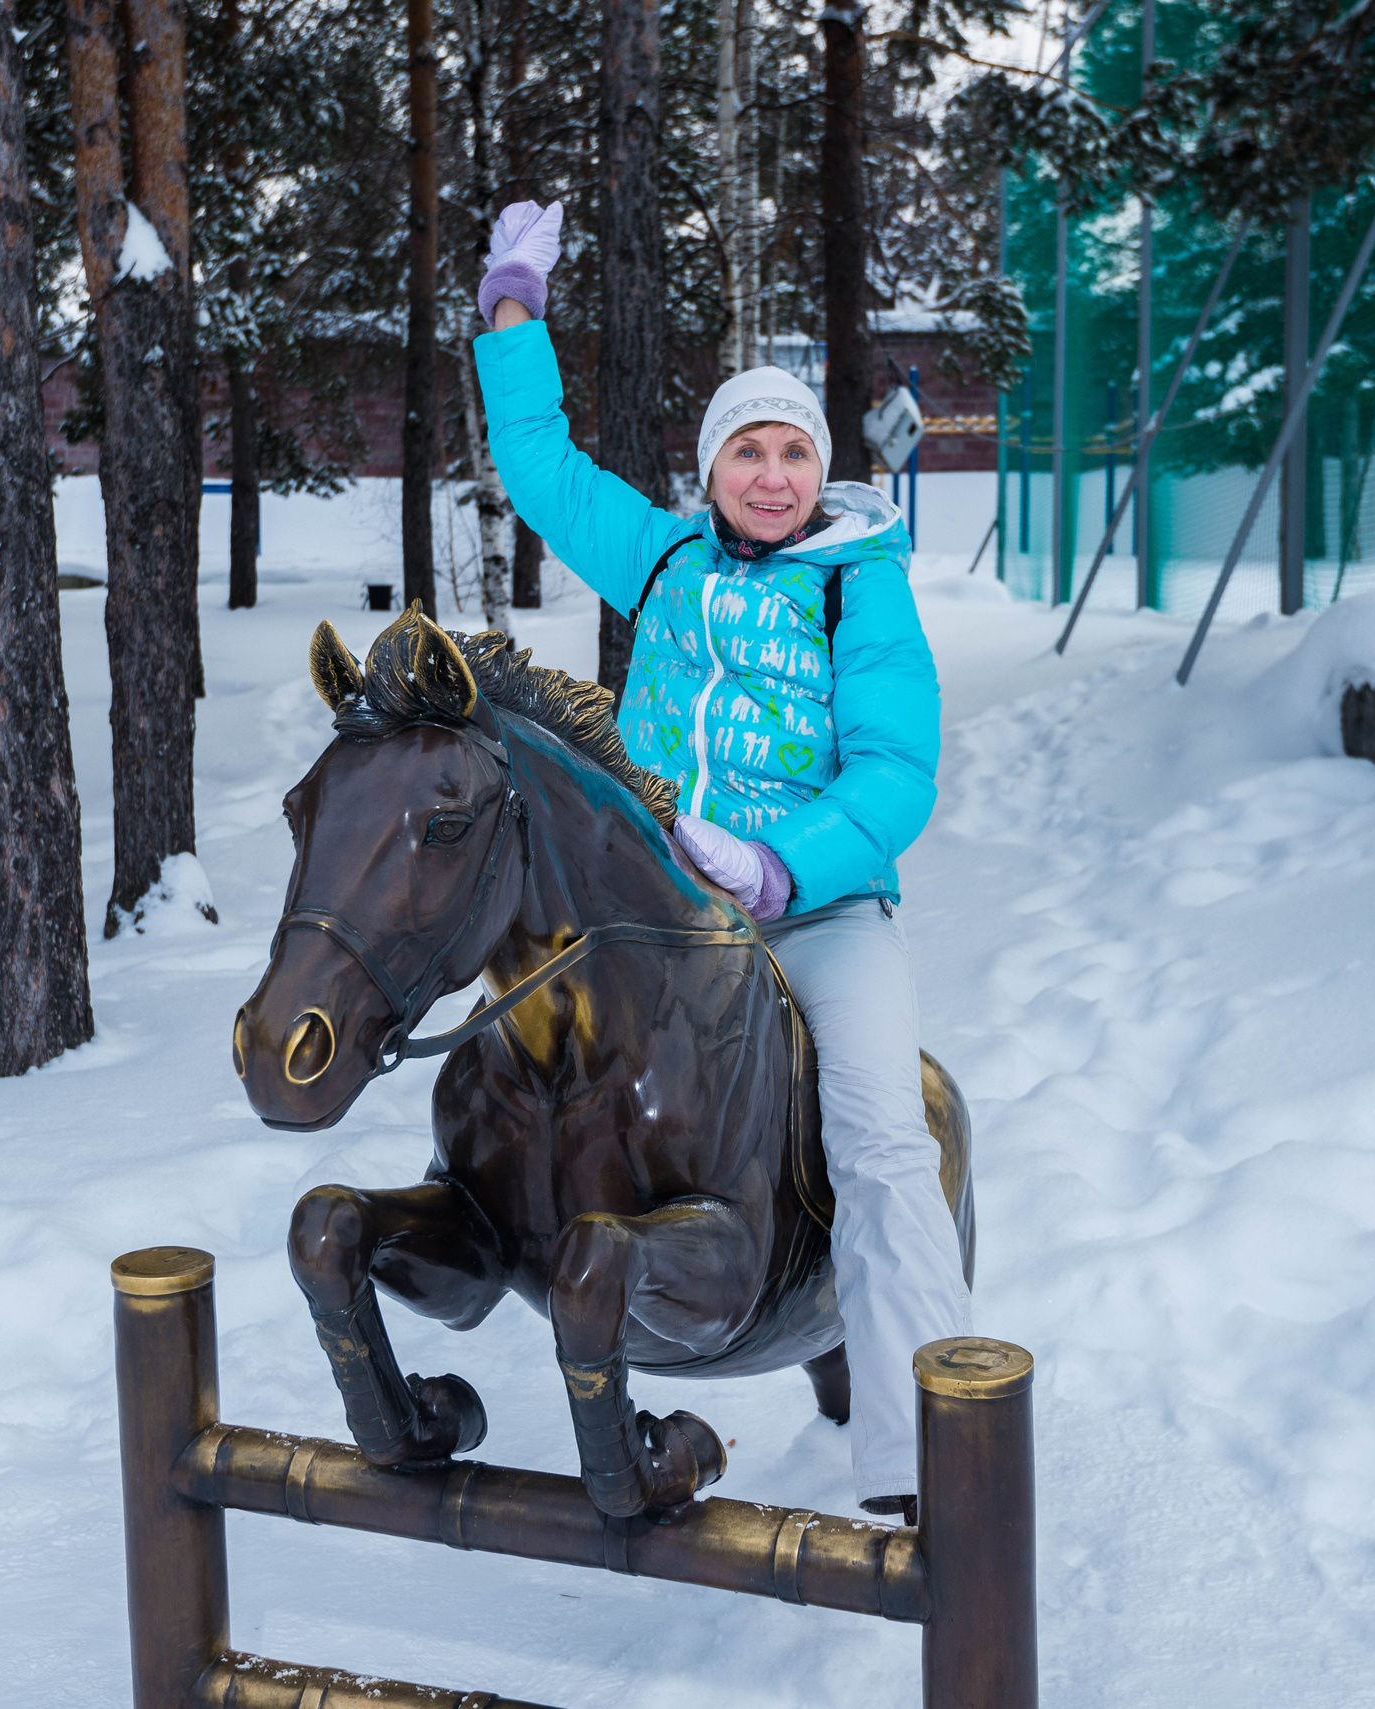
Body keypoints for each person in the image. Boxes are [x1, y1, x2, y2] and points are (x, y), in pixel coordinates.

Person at [470, 199, 969, 1520]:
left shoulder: (861, 584)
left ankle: (930, 1452)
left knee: (878, 1134)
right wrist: (515, 316)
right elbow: (539, 464)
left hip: (820, 908)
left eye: (790, 451)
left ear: (818, 469)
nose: (769, 474)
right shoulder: (666, 557)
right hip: (663, 911)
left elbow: (896, 771)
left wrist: (777, 861)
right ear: (711, 469)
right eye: (746, 450)